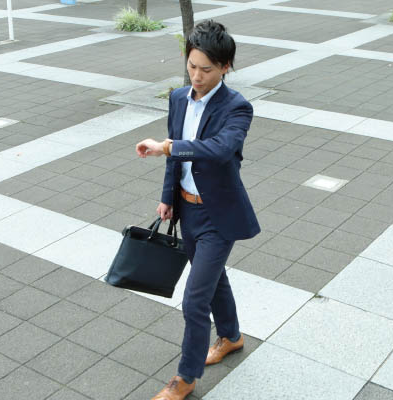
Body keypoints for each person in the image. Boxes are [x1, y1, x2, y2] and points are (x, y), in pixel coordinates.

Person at [135, 19, 260, 400]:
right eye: (191, 66)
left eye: (206, 69)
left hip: (219, 215)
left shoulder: (237, 108)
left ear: (225, 67)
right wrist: (168, 197)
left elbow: (220, 150)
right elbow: (173, 157)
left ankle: (185, 379)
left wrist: (168, 147)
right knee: (213, 280)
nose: (197, 76)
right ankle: (232, 337)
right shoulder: (178, 98)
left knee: (194, 299)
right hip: (187, 211)